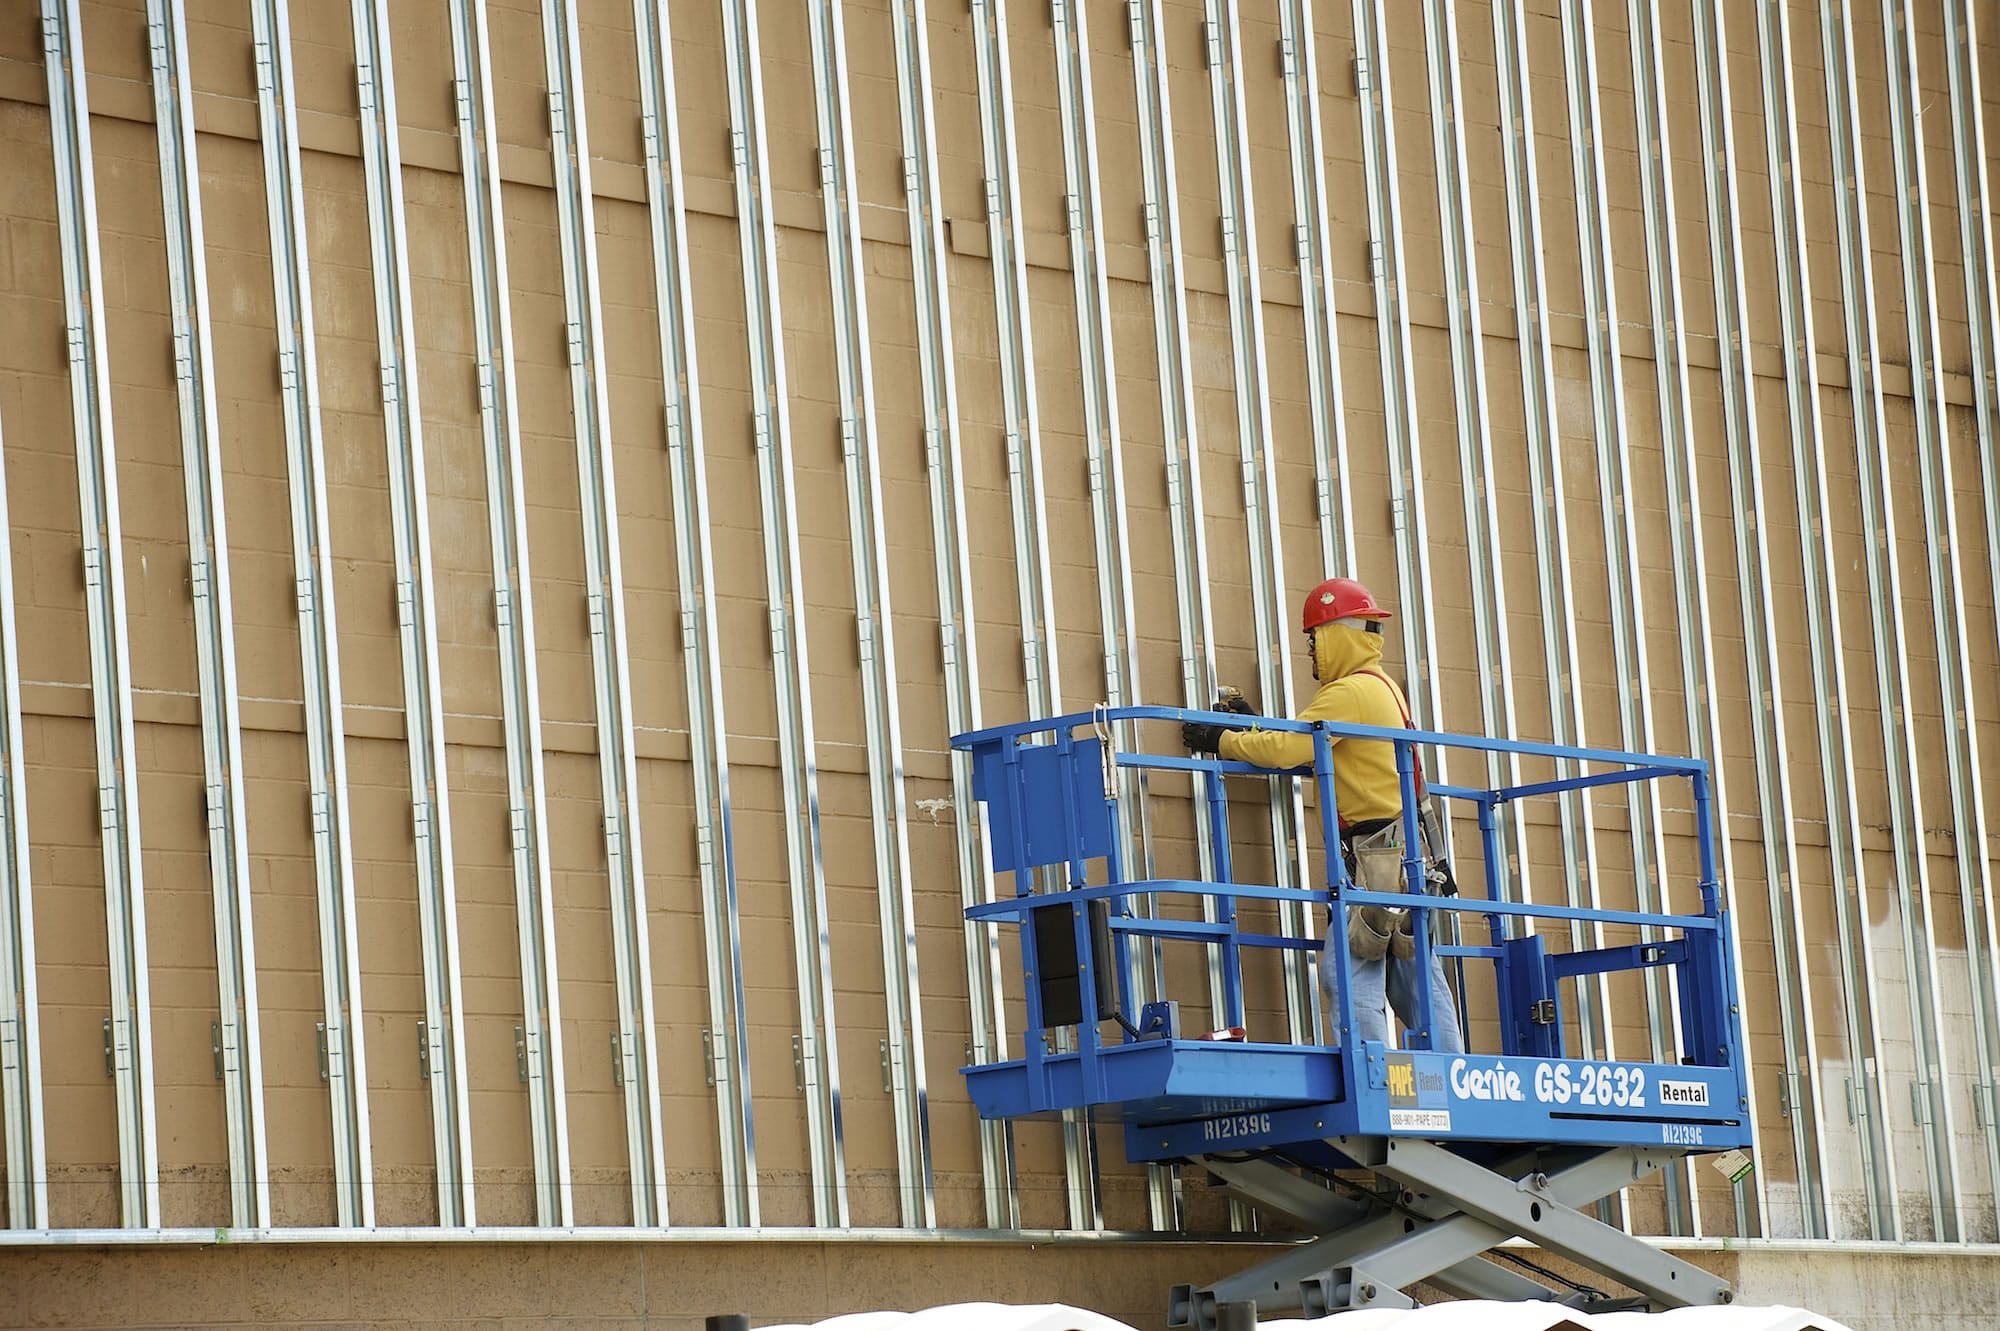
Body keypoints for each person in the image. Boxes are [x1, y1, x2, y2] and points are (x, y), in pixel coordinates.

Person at [1181, 576, 1465, 1055]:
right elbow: (1310, 749)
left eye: (1314, 639)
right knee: (1412, 971)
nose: (1311, 652)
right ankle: (1452, 1069)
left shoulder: (1350, 691)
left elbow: (1290, 746)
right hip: (1408, 856)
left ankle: (1371, 1073)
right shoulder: (1381, 687)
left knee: (1351, 971)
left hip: (1377, 858)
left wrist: (1220, 739)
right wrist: (1252, 724)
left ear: (1337, 633)